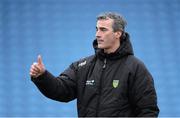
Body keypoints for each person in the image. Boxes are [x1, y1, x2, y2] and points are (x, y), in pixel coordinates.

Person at [30, 12, 159, 117]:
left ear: (117, 34)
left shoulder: (135, 67)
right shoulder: (83, 66)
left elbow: (147, 111)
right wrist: (42, 76)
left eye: (103, 30)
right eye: (97, 29)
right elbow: (61, 90)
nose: (97, 34)